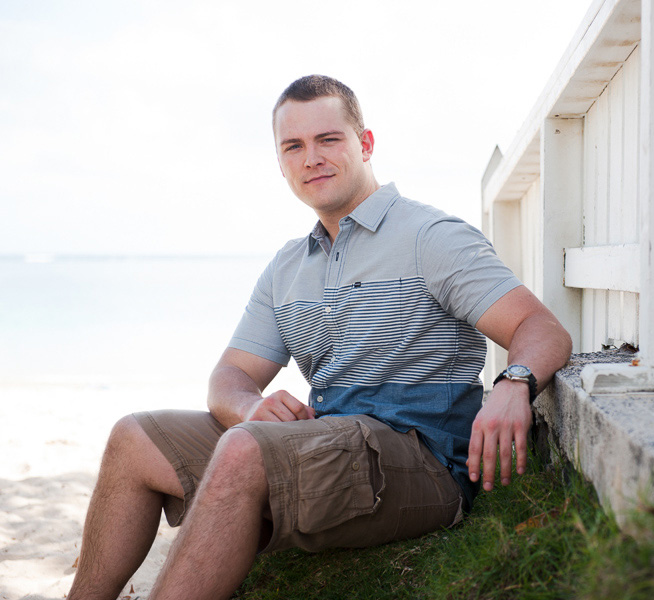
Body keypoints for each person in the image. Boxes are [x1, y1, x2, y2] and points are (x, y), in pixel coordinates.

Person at [67, 74, 572, 600]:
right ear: (282, 162)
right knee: (134, 439)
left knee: (244, 452)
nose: (312, 158)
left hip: (422, 462)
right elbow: (229, 377)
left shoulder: (431, 238)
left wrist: (514, 383)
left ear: (365, 144)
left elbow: (540, 328)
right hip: (324, 443)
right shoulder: (288, 266)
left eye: (328, 140)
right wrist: (247, 408)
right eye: (294, 146)